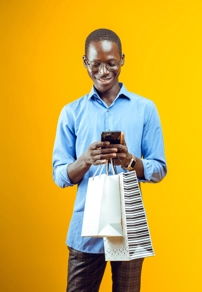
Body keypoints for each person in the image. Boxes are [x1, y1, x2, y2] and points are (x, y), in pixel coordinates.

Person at [52, 28, 167, 292]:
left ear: (122, 60)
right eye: (96, 64)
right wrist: (85, 160)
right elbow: (59, 175)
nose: (104, 71)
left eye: (111, 63)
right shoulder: (71, 113)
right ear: (85, 62)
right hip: (85, 231)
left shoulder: (145, 109)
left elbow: (159, 169)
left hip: (129, 227)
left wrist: (130, 161)